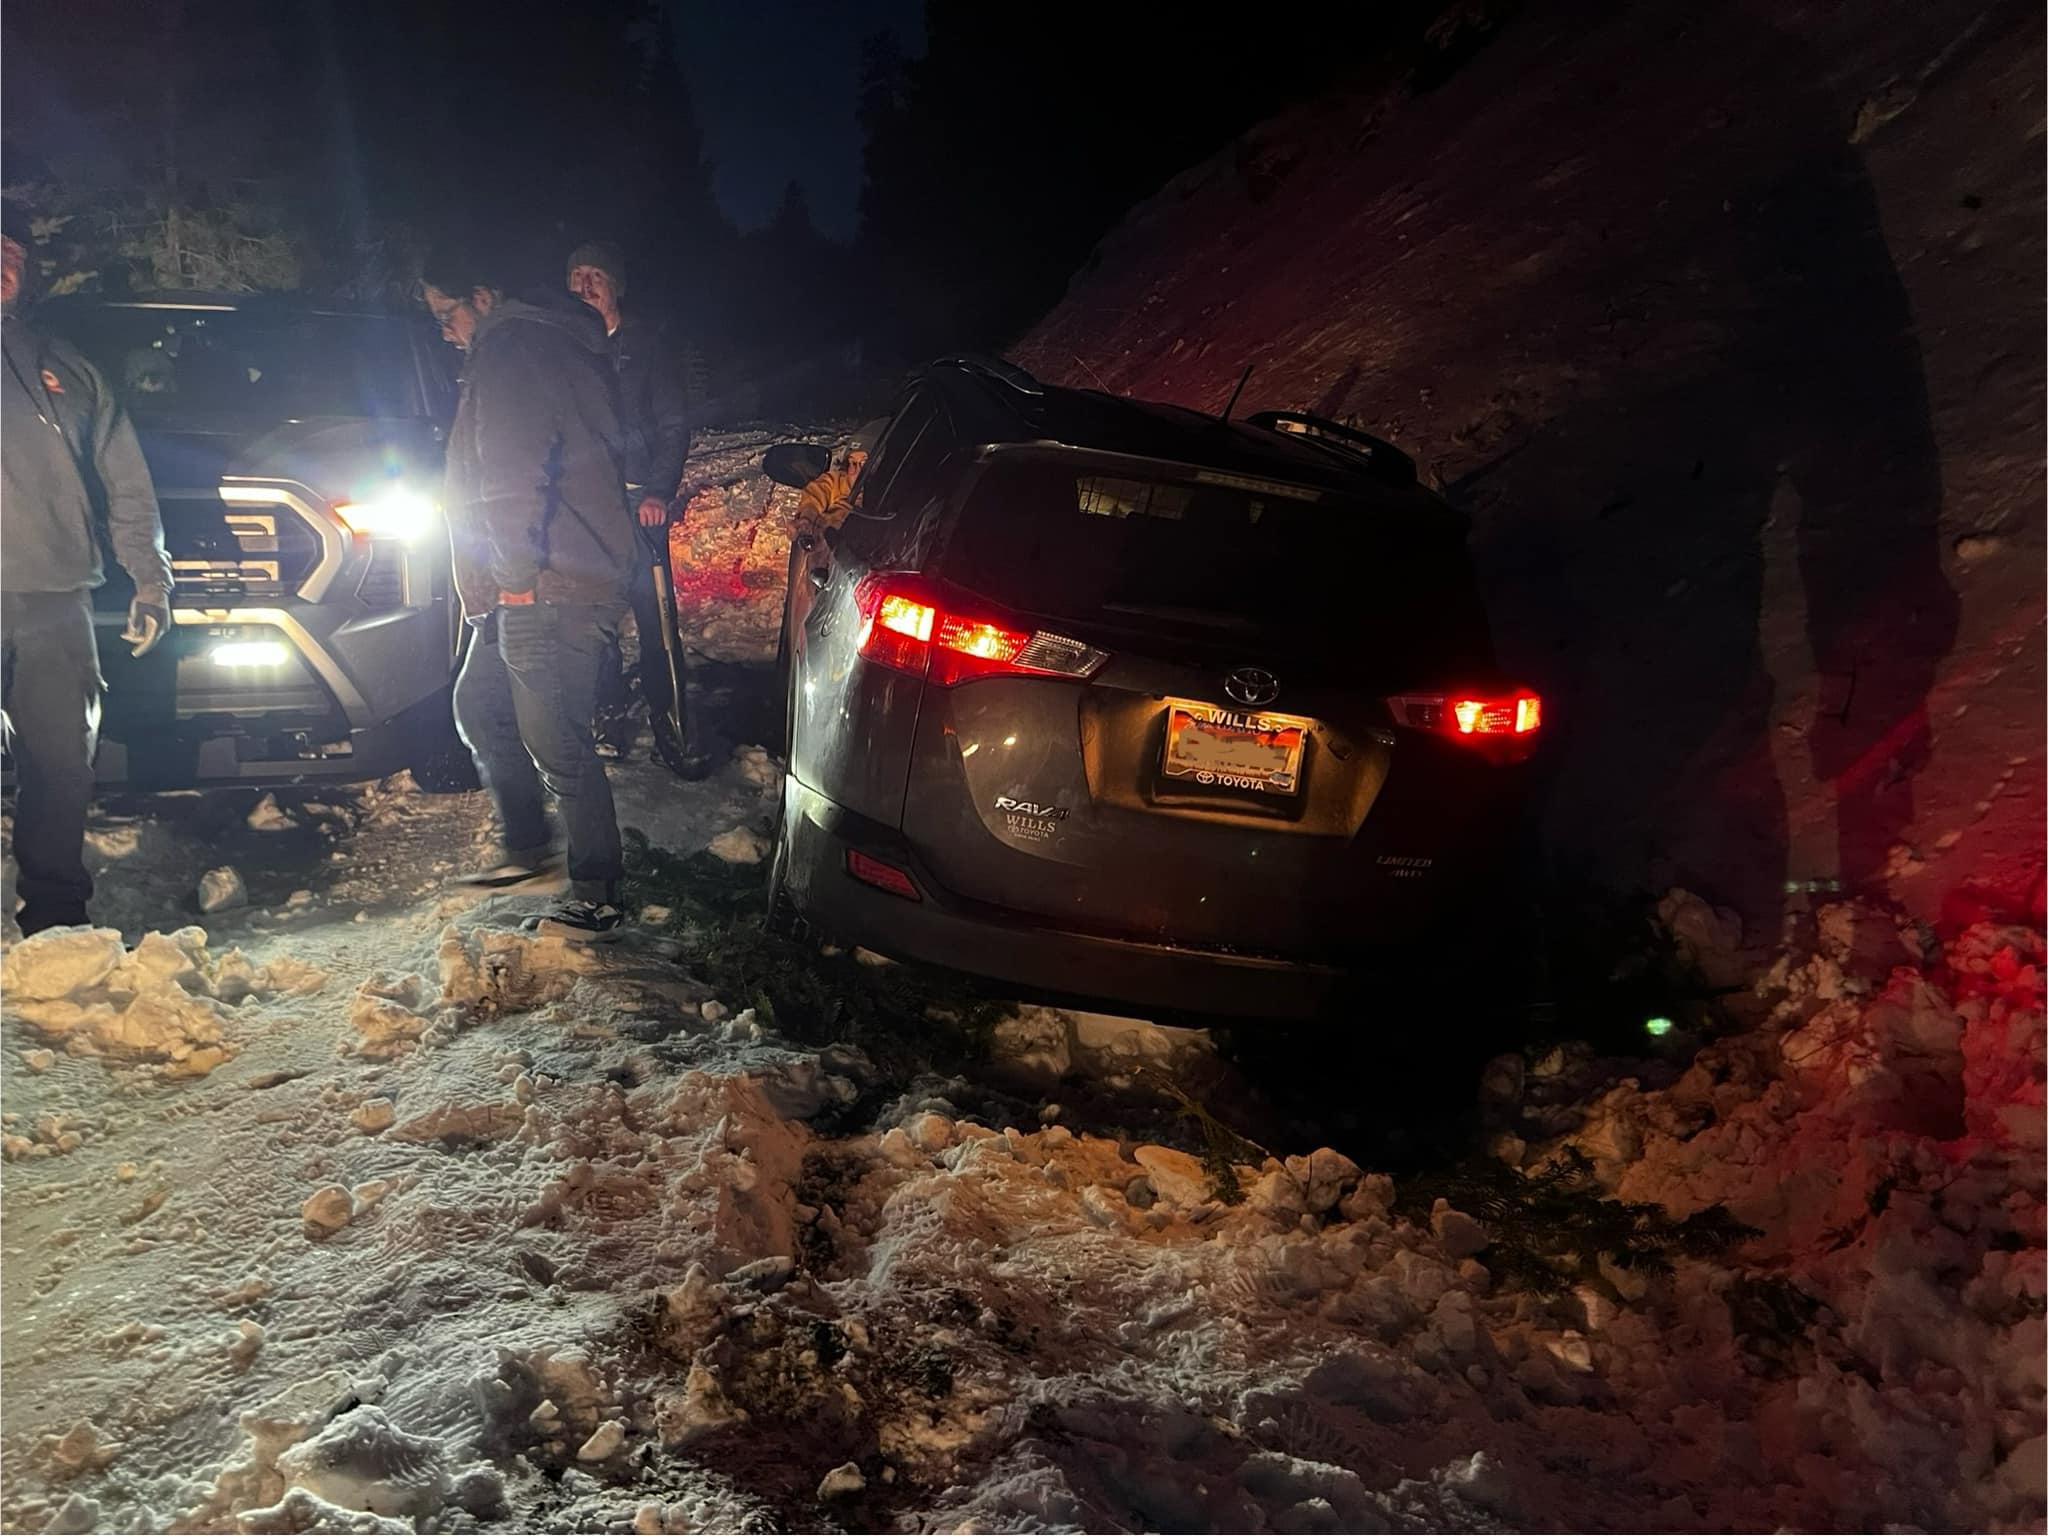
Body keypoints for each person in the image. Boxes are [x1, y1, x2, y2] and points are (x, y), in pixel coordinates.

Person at [420, 251, 636, 941]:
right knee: (481, 707)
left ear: (482, 295)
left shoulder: (515, 348)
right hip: (522, 582)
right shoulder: (526, 345)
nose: (446, 332)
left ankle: (598, 891)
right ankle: (529, 850)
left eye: (446, 314)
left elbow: (514, 472)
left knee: (557, 737)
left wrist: (512, 576)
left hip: (549, 583)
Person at [1, 203, 173, 935]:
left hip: (54, 595)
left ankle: (56, 917)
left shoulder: (66, 366)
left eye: (12, 253)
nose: (2, 266)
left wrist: (151, 578)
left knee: (62, 763)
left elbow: (126, 480)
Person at [564, 241, 692, 761]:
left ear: (616, 285)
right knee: (594, 612)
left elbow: (672, 423)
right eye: (576, 277)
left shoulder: (646, 347)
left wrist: (660, 488)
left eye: (595, 275)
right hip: (587, 503)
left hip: (641, 499)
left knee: (652, 611)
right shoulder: (565, 349)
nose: (585, 285)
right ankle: (607, 710)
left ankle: (669, 710)